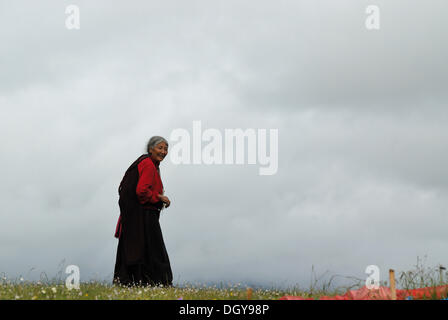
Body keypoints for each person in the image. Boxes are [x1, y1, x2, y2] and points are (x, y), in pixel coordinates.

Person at [113, 136, 173, 287]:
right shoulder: (148, 164)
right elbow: (141, 191)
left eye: (166, 149)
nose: (164, 152)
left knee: (139, 248)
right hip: (145, 214)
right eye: (160, 148)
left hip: (136, 215)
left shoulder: (147, 163)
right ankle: (160, 282)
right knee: (155, 250)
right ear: (150, 149)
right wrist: (159, 198)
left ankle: (133, 282)